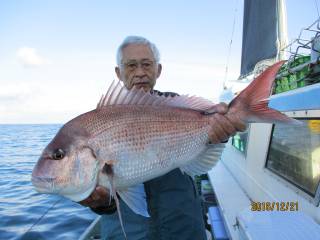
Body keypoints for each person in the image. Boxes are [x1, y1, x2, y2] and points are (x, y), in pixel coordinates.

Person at [79, 36, 246, 240]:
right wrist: (102, 203)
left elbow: (206, 148)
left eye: (147, 64)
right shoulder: (101, 119)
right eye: (131, 65)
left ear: (158, 70)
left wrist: (220, 134)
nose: (140, 72)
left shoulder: (178, 106)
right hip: (127, 233)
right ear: (118, 72)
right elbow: (105, 191)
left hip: (182, 225)